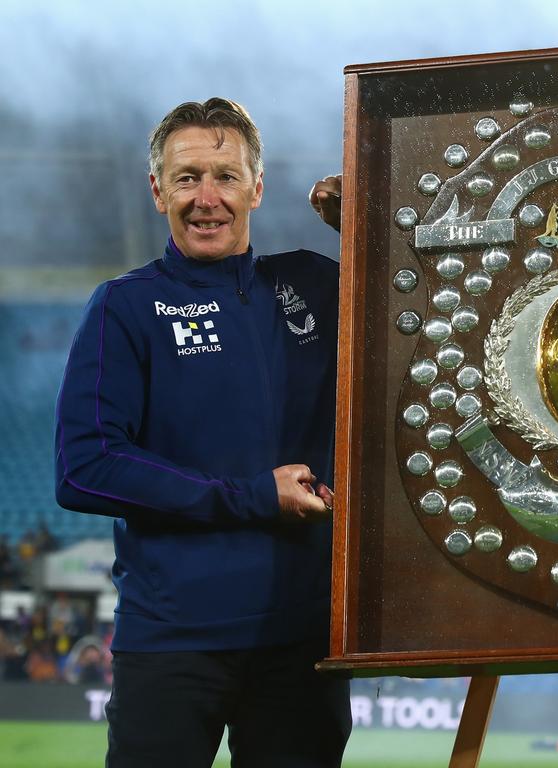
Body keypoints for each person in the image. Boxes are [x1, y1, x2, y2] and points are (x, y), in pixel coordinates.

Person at [55, 97, 351, 767]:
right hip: (171, 645)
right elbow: (84, 467)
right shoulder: (126, 305)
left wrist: (364, 227)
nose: (207, 197)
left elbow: (422, 307)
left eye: (225, 175)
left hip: (302, 644)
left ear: (257, 186)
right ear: (158, 190)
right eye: (187, 177)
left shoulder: (313, 282)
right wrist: (252, 496)